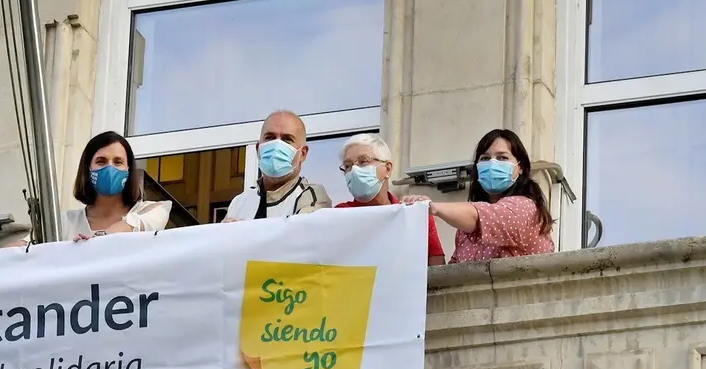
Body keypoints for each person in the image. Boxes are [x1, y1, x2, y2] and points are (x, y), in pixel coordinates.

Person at [402, 128, 554, 262]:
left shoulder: (524, 208)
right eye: (485, 158)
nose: (492, 164)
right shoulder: (464, 230)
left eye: (502, 158)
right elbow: (452, 276)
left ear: (520, 168)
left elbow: (480, 215)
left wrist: (433, 207)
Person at [334, 134, 446, 266]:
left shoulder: (413, 213)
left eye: (363, 161)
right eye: (348, 166)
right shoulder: (339, 214)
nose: (354, 170)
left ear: (387, 168)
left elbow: (437, 267)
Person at [223, 110, 331, 221]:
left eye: (287, 139)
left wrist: (243, 233)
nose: (276, 145)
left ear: (302, 154)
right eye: (270, 137)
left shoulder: (312, 197)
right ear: (258, 149)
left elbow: (300, 235)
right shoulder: (239, 202)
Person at [63, 131, 171, 241]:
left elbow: (150, 220)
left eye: (118, 162)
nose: (110, 168)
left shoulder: (150, 212)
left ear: (128, 169)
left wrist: (100, 238)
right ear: (87, 169)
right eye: (101, 161)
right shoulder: (64, 223)